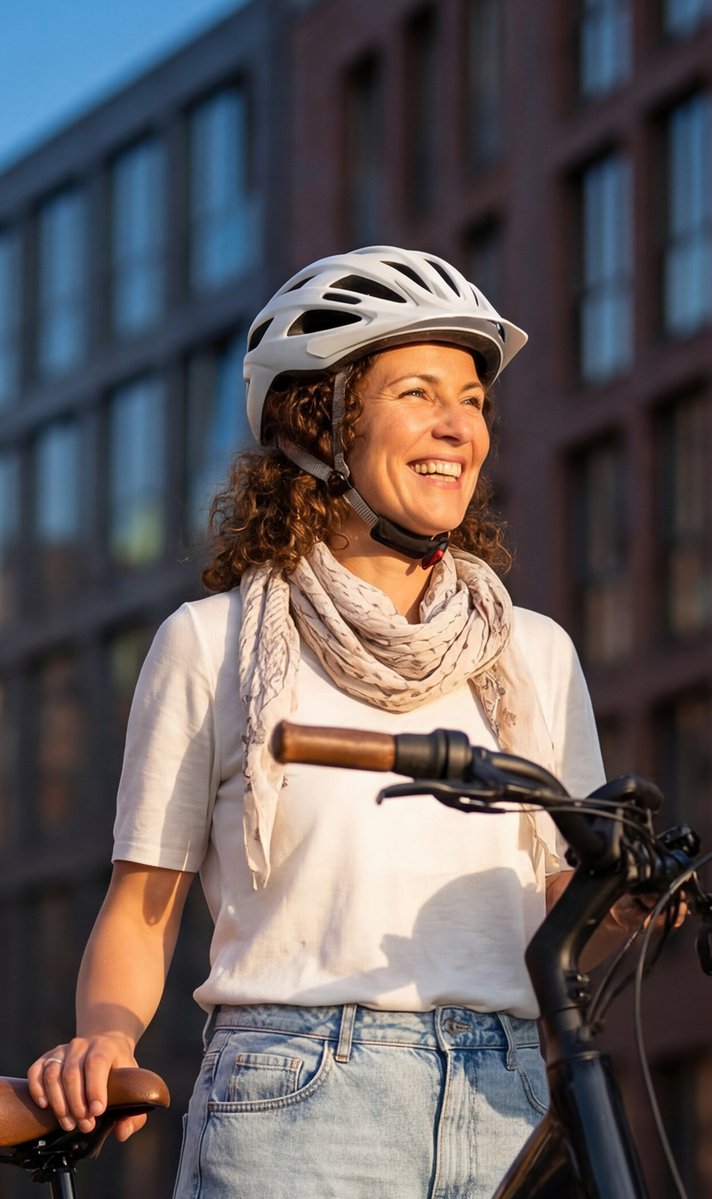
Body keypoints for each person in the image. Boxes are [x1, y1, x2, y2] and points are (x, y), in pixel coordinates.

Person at [24, 246, 633, 1198]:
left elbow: (562, 916)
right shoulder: (212, 644)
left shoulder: (534, 654)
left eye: (473, 400)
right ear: (319, 425)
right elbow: (143, 904)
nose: (458, 426)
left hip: (508, 1095)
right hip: (297, 1097)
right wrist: (107, 1032)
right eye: (418, 393)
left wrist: (621, 899)